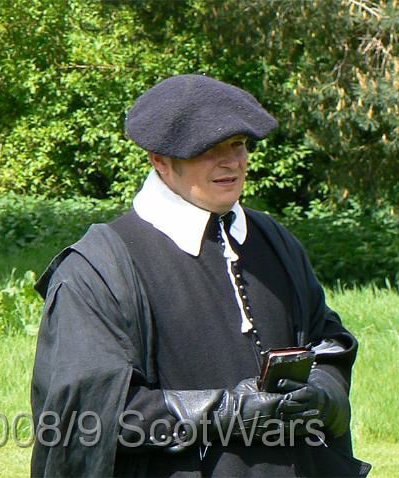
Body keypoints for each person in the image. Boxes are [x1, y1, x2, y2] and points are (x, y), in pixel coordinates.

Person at [30, 74, 371, 477]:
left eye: (239, 145)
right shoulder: (97, 269)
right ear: (160, 160)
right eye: (209, 150)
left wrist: (324, 397)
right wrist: (223, 413)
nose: (231, 162)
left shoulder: (275, 242)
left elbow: (327, 342)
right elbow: (87, 410)